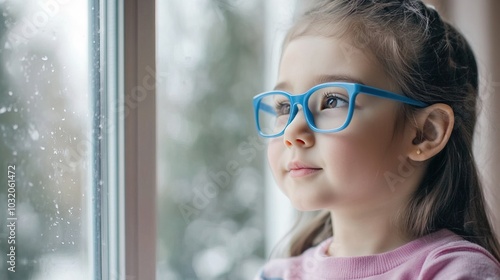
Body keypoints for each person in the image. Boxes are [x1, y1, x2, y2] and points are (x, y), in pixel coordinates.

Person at [252, 0, 500, 279]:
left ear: (424, 133)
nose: (293, 131)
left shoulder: (454, 272)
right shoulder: (275, 275)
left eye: (332, 100)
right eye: (284, 107)